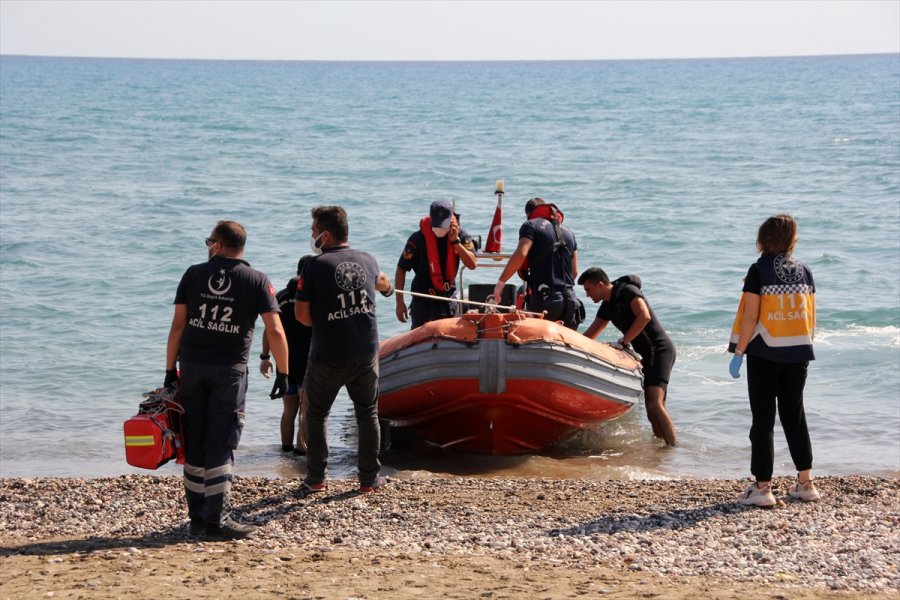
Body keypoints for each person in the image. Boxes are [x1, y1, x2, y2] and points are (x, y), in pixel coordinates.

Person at [165, 220, 289, 540]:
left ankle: (197, 517)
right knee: (222, 444)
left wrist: (169, 371)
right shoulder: (257, 280)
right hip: (229, 372)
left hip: (191, 368)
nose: (208, 246)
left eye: (210, 241)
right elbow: (275, 330)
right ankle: (216, 521)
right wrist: (284, 372)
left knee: (195, 442)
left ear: (217, 246)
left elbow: (177, 326)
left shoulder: (193, 274)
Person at [295, 205, 394, 494]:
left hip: (328, 355)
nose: (312, 236)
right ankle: (369, 480)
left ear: (325, 235)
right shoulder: (368, 259)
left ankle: (316, 478)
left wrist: (328, 319)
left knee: (316, 414)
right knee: (367, 413)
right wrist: (384, 292)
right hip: (365, 352)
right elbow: (384, 285)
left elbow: (302, 316)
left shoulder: (314, 266)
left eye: (313, 231)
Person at [728, 214, 820, 507]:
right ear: (791, 239)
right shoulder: (805, 271)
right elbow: (810, 315)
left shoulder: (759, 270)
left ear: (763, 238)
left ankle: (762, 488)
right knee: (795, 416)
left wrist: (739, 353)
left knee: (763, 420)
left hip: (765, 352)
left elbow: (752, 316)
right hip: (798, 352)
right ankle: (805, 482)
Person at [578, 267, 677, 446]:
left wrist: (623, 342)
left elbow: (644, 316)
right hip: (648, 354)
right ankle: (662, 451)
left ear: (600, 284)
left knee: (655, 405)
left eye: (588, 289)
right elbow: (590, 335)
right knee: (651, 410)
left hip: (660, 349)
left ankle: (673, 447)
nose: (587, 295)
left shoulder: (627, 291)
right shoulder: (606, 307)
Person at [490, 197, 583, 329]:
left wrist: (500, 285)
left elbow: (521, 253)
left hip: (545, 299)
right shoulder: (569, 232)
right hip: (570, 299)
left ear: (529, 214)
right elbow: (575, 271)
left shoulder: (531, 225)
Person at [260, 256, 314, 456]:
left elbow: (269, 330)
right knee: (307, 411)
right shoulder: (313, 296)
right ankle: (301, 453)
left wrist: (265, 357)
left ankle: (285, 451)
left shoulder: (280, 296)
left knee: (289, 410)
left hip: (285, 362)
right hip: (307, 361)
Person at [395, 199, 478, 328]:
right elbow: (401, 269)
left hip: (447, 300)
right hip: (422, 301)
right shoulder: (417, 239)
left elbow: (472, 264)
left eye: (442, 225)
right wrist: (399, 302)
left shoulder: (461, 235)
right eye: (436, 225)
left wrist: (456, 243)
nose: (439, 229)